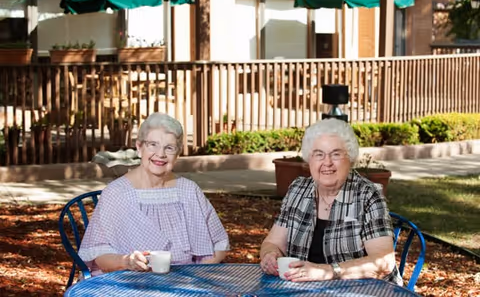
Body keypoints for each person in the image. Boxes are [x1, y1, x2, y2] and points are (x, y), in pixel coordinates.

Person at [79, 112, 229, 276]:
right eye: (153, 145)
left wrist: (195, 278)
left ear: (177, 154)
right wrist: (127, 261)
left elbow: (219, 245)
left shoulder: (189, 191)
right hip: (129, 282)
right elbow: (99, 254)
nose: (161, 154)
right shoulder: (117, 193)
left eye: (169, 148)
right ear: (139, 147)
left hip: (185, 283)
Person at [259, 118, 402, 285]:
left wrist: (327, 271)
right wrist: (270, 255)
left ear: (350, 157)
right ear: (309, 159)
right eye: (319, 154)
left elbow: (382, 262)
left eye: (336, 154)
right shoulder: (298, 189)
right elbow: (272, 243)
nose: (327, 163)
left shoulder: (367, 195)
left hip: (364, 291)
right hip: (308, 290)